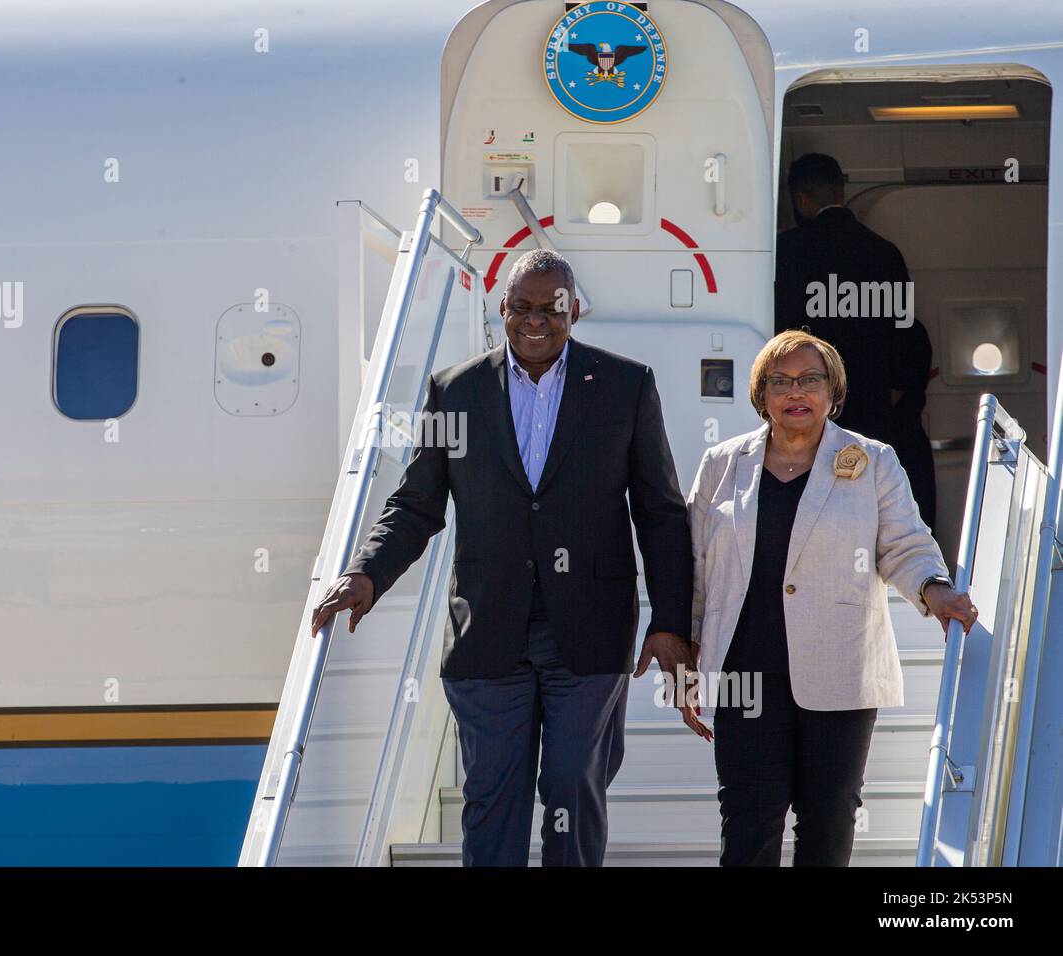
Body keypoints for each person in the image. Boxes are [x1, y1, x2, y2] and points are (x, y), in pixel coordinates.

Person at [309, 248, 694, 867]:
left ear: (575, 311)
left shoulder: (626, 385)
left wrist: (671, 623)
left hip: (591, 634)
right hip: (488, 632)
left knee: (573, 787)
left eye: (552, 308)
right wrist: (367, 573)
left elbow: (661, 513)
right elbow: (415, 505)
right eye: (523, 307)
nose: (535, 321)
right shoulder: (454, 391)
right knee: (492, 800)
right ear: (502, 308)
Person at [682, 329, 976, 866]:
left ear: (833, 392)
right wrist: (687, 664)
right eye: (781, 381)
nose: (797, 392)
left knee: (830, 819)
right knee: (748, 820)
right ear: (761, 393)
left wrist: (934, 590)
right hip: (745, 674)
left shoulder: (872, 461)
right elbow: (694, 571)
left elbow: (906, 544)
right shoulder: (722, 464)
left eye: (810, 380)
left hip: (841, 671)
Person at [775, 152, 937, 529]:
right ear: (842, 190)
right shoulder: (884, 253)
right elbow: (904, 333)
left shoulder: (787, 254)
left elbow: (781, 338)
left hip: (811, 409)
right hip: (877, 409)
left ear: (800, 199)